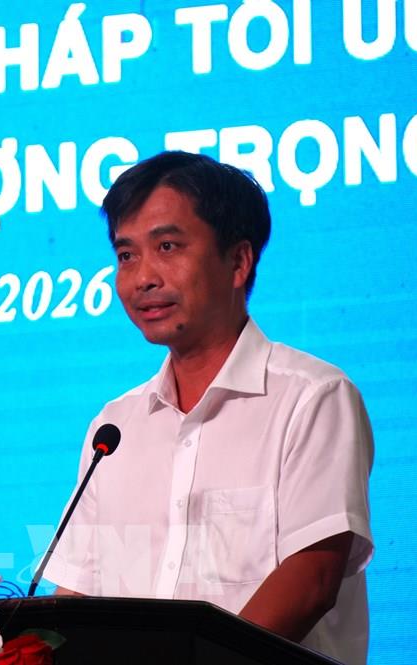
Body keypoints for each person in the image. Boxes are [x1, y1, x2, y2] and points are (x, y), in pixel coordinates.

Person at [43, 151, 374, 664]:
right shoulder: (115, 427)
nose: (142, 277)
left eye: (167, 247)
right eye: (126, 255)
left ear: (238, 261)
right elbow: (77, 599)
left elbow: (312, 579)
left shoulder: (312, 397)